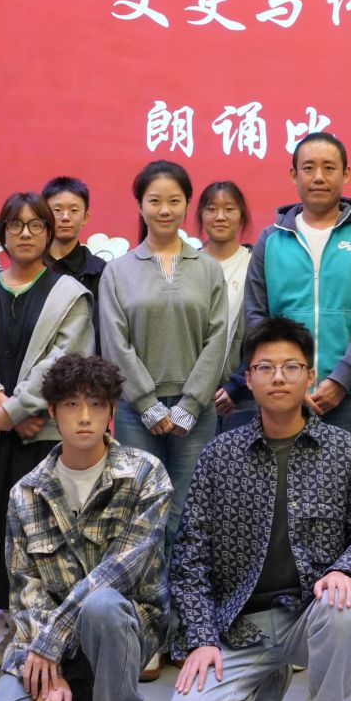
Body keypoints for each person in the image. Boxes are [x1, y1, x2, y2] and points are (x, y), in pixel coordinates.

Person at [168, 317, 351, 701]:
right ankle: (267, 694)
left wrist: (346, 571)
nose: (278, 377)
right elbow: (189, 558)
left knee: (347, 610)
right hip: (241, 625)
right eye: (264, 367)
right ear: (248, 379)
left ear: (310, 375)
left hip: (310, 615)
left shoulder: (344, 452)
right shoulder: (220, 456)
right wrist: (202, 638)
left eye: (291, 367)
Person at [0, 355, 172, 701]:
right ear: (52, 411)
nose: (85, 417)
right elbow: (24, 590)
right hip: (51, 640)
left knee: (102, 605)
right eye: (71, 405)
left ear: (111, 411)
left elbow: (121, 572)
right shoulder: (26, 493)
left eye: (96, 405)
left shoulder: (145, 474)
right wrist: (50, 674)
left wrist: (51, 640)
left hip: (128, 625)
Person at [0, 191, 95, 612]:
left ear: (48, 232)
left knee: (40, 529)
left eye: (35, 225)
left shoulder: (70, 294)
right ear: (3, 232)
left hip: (40, 432)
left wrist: (16, 410)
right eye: (15, 224)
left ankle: (38, 615)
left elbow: (64, 361)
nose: (25, 233)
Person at [100, 161, 228, 554]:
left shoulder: (208, 269)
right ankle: (148, 592)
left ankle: (185, 592)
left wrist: (191, 404)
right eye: (155, 201)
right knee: (142, 511)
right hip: (136, 412)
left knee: (189, 514)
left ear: (187, 204)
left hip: (197, 411)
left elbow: (218, 338)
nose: (165, 210)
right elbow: (115, 344)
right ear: (140, 205)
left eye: (174, 200)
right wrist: (147, 404)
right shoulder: (117, 271)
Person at [242, 132, 351, 443]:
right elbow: (256, 315)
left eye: (329, 167)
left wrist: (342, 379)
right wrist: (283, 377)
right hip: (281, 392)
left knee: (347, 474)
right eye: (309, 168)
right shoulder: (270, 240)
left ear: (346, 173)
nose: (319, 177)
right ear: (294, 175)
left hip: (349, 395)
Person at [196, 180, 256, 434]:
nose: (220, 216)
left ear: (242, 215)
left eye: (229, 209)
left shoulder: (256, 264)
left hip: (244, 397)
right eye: (211, 209)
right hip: (191, 399)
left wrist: (237, 385)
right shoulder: (187, 265)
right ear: (200, 215)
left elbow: (263, 329)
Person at [42, 174, 108, 314]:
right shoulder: (31, 266)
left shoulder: (101, 272)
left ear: (85, 218)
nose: (65, 217)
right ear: (44, 216)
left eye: (74, 210)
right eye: (57, 210)